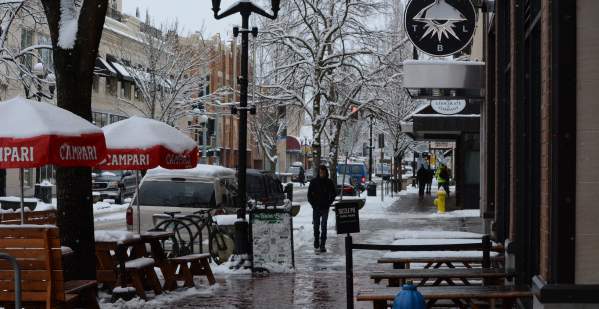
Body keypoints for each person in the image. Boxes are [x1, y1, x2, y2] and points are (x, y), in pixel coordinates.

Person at [308, 165, 337, 253]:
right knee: (316, 226)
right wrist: (313, 204)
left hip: (325, 207)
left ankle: (322, 244)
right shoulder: (313, 182)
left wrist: (329, 202)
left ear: (326, 173)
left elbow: (333, 193)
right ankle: (316, 240)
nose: (322, 174)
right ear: (318, 173)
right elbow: (309, 195)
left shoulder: (329, 182)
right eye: (320, 172)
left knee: (324, 226)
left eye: (323, 172)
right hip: (316, 207)